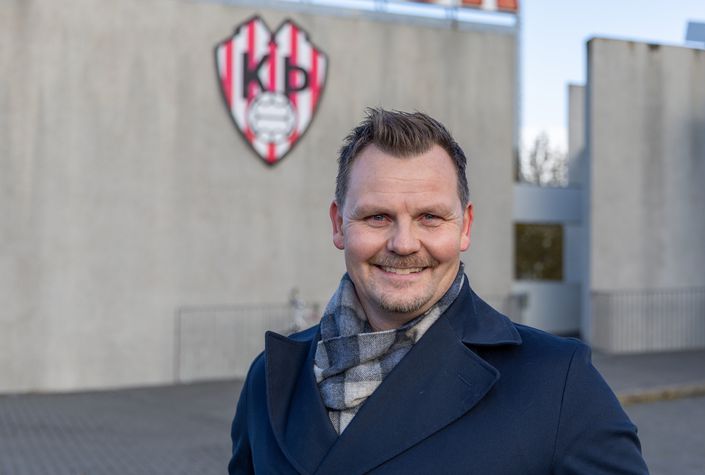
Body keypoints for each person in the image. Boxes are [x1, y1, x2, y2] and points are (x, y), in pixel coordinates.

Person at [228, 109, 648, 474]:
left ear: (464, 227)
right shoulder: (269, 378)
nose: (404, 243)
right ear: (339, 225)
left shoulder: (558, 382)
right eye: (377, 217)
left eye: (429, 217)